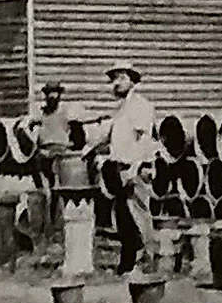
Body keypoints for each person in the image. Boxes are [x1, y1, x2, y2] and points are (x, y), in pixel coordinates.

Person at [84, 60, 159, 275]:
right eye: (114, 79)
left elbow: (144, 138)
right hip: (119, 169)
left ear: (132, 80)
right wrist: (91, 149)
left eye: (121, 78)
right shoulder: (122, 109)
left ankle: (146, 262)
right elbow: (110, 136)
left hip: (135, 168)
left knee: (138, 214)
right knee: (124, 218)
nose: (116, 83)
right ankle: (128, 264)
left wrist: (135, 167)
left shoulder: (140, 106)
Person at [20, 82, 85, 247]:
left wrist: (68, 146)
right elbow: (27, 128)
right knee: (42, 192)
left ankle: (57, 230)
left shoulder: (66, 113)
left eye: (55, 93)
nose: (52, 97)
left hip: (60, 155)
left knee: (58, 193)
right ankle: (40, 230)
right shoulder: (41, 114)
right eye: (49, 93)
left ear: (59, 95)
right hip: (43, 155)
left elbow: (79, 137)